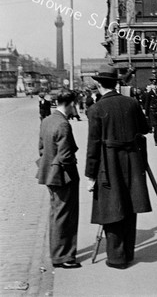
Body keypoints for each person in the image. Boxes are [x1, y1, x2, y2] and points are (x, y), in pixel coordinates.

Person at [85, 65, 152, 269]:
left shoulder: (96, 109)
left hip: (108, 162)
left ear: (98, 84)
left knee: (111, 208)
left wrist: (90, 175)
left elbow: (93, 145)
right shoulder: (131, 103)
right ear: (116, 83)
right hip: (132, 160)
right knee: (131, 206)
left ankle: (116, 257)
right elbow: (145, 129)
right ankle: (129, 253)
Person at [36, 89, 81, 269]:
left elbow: (41, 148)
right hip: (63, 177)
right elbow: (66, 156)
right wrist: (72, 172)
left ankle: (57, 253)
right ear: (71, 104)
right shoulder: (63, 124)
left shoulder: (47, 120)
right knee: (65, 217)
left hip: (48, 173)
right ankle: (64, 257)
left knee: (56, 214)